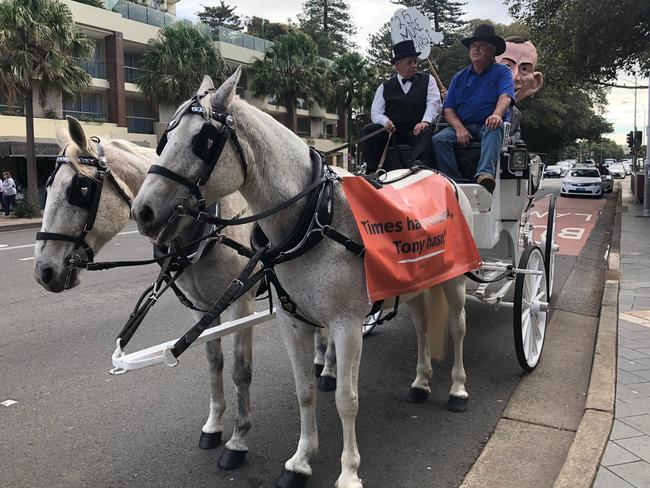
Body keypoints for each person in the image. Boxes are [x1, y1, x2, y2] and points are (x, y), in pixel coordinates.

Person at [431, 24, 515, 193]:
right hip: (463, 126)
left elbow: (505, 96)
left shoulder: (502, 72)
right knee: (438, 140)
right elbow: (448, 109)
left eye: (480, 46)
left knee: (494, 126)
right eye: (473, 46)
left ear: (491, 51)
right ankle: (453, 181)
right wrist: (459, 128)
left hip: (488, 125)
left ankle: (485, 175)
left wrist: (497, 114)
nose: (475, 50)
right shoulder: (459, 77)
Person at [362, 39, 441, 172]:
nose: (414, 65)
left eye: (415, 61)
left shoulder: (428, 80)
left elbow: (434, 103)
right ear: (397, 65)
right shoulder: (384, 87)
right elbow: (376, 113)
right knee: (369, 130)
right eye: (409, 62)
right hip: (393, 132)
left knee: (426, 131)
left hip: (416, 131)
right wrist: (385, 122)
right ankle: (371, 171)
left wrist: (425, 121)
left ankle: (418, 167)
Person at [496, 36, 544, 144]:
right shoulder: (480, 105)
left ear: (534, 83)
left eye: (524, 69)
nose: (514, 77)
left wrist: (511, 140)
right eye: (506, 66)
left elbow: (517, 133)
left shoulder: (516, 113)